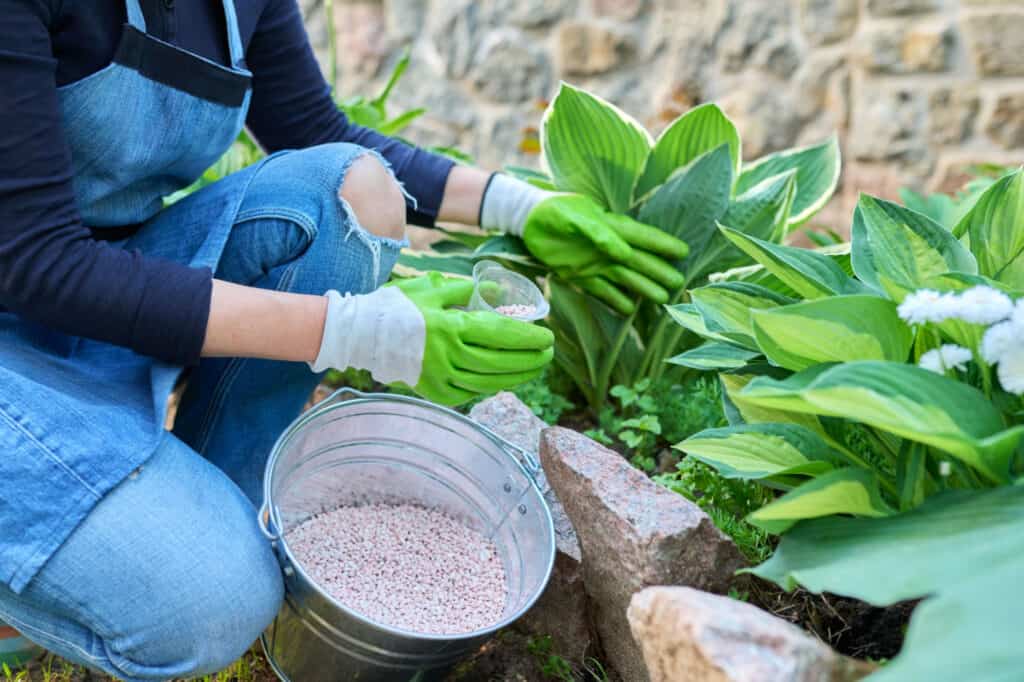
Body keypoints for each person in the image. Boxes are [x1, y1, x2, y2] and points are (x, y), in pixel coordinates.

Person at [0, 0, 689, 678]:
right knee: (214, 607)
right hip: (31, 299)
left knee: (349, 191)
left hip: (101, 295)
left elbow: (313, 127)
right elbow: (36, 261)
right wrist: (359, 332)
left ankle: (191, 512)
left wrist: (519, 206)